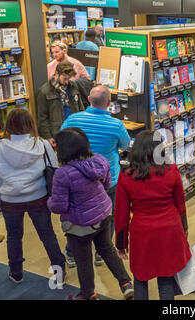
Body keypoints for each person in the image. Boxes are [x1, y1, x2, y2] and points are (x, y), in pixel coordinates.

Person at [47, 127, 134, 300]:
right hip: (103, 214)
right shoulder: (99, 160)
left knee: (83, 260)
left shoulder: (63, 174)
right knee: (107, 250)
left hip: (79, 225)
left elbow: (59, 206)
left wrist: (48, 201)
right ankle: (126, 283)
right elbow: (107, 185)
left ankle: (88, 294)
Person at [0, 109, 65, 284]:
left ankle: (16, 273)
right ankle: (59, 271)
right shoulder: (42, 145)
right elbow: (54, 170)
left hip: (10, 201)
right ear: (31, 124)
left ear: (8, 125)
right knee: (47, 234)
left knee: (13, 237)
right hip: (39, 197)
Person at [114, 130, 191, 300]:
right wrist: (184, 229)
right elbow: (181, 204)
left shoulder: (126, 176)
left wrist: (121, 243)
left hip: (142, 234)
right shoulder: (171, 170)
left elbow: (121, 214)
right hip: (169, 230)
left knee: (141, 278)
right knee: (166, 278)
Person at [61, 85, 130, 263]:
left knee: (75, 216)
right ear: (108, 103)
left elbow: (61, 138)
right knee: (109, 214)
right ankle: (102, 253)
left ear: (89, 100)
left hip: (76, 178)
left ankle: (71, 254)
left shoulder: (73, 119)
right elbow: (125, 144)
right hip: (107, 178)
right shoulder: (116, 124)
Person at [37, 61, 85, 146]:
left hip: (74, 131)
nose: (67, 82)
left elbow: (80, 108)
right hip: (58, 134)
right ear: (56, 73)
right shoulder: (44, 91)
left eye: (69, 78)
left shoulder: (73, 86)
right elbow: (42, 118)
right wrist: (48, 137)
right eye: (65, 78)